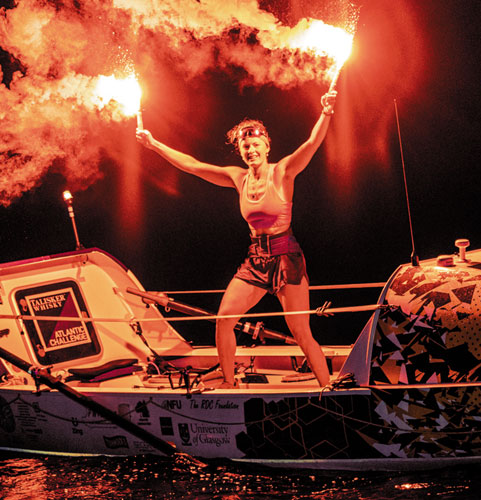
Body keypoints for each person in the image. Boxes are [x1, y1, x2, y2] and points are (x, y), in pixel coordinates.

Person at [135, 91, 338, 389]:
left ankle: (328, 388)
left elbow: (311, 145)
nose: (251, 150)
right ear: (240, 151)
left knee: (301, 332)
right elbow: (192, 165)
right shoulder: (238, 178)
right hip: (255, 259)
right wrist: (154, 145)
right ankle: (230, 384)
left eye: (256, 144)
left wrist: (326, 113)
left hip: (286, 257)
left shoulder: (283, 172)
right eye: (246, 146)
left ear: (267, 145)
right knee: (224, 320)